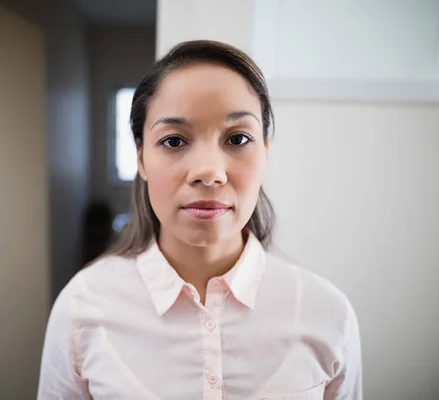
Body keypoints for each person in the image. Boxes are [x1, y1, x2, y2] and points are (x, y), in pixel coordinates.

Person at [37, 40, 362, 399]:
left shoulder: (328, 314)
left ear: (265, 152)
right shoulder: (82, 308)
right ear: (141, 158)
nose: (209, 172)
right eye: (174, 141)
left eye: (238, 138)